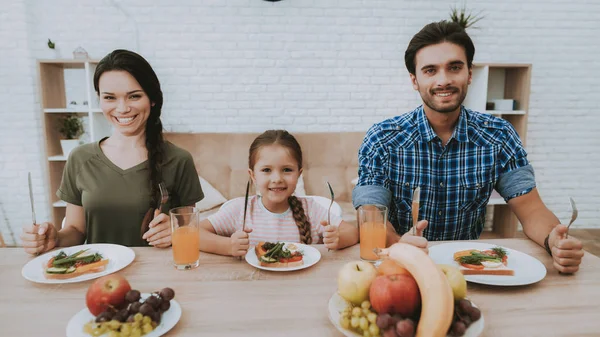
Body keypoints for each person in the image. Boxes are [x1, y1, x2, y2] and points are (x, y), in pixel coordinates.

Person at [352, 21, 583, 273]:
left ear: (469, 73)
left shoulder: (499, 135)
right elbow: (371, 215)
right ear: (414, 80)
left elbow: (531, 209)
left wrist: (554, 241)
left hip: (469, 270)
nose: (444, 80)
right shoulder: (382, 138)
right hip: (399, 267)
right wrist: (400, 246)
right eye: (430, 70)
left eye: (454, 68)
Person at [21, 49, 203, 254]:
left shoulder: (179, 160)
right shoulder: (80, 158)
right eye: (110, 97)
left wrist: (174, 231)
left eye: (134, 96)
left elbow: (192, 229)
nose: (122, 108)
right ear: (100, 99)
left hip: (158, 278)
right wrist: (54, 239)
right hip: (96, 274)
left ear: (152, 99)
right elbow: (75, 230)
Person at [199, 130, 359, 257]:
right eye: (266, 170)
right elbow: (192, 235)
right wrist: (227, 246)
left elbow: (352, 232)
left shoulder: (312, 210)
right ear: (253, 175)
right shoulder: (239, 210)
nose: (277, 178)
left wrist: (338, 238)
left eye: (287, 170)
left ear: (299, 174)